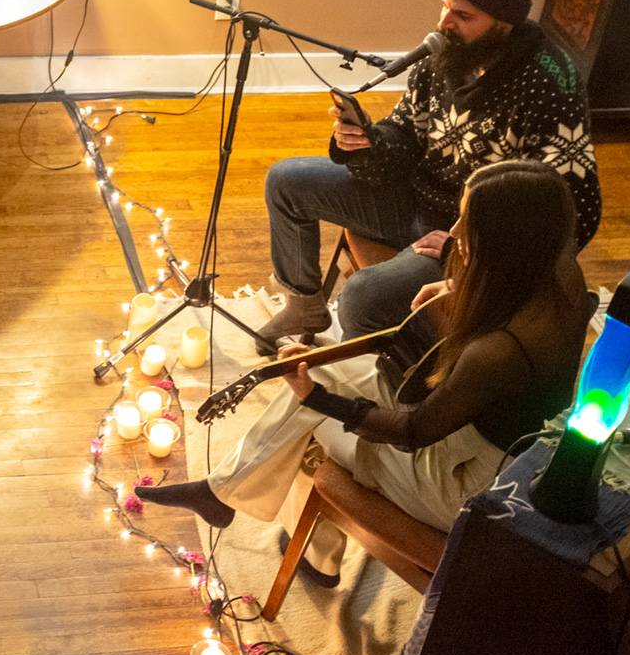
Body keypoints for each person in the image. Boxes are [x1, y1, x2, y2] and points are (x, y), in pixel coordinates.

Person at [139, 161, 593, 582]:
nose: (453, 232)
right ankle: (227, 497)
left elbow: (412, 431)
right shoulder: (563, 276)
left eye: (466, 224)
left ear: (505, 245)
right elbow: (511, 297)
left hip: (467, 482)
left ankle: (302, 544)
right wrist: (453, 284)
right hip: (491, 434)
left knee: (312, 421)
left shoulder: (498, 353)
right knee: (334, 373)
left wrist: (313, 398)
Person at [256, 0, 602, 353]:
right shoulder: (445, 55)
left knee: (361, 299)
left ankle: (387, 381)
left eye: (463, 15)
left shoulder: (549, 83)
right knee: (286, 182)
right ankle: (305, 306)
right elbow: (406, 133)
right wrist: (367, 143)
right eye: (444, 6)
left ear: (505, 23)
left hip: (467, 237)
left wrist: (468, 250)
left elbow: (574, 210)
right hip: (413, 198)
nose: (444, 23)